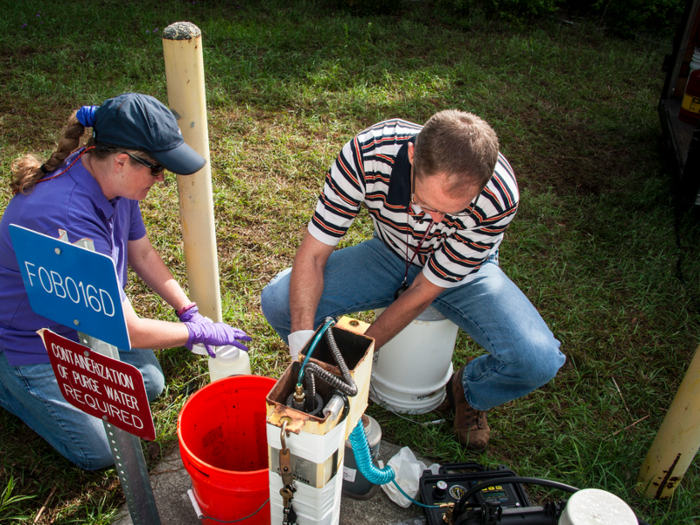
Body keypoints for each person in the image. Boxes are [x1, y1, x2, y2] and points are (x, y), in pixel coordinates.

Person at [261, 110, 565, 451]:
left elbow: (423, 290)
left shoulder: (499, 195)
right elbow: (314, 254)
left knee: (536, 360)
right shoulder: (367, 155)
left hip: (463, 273)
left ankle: (469, 391)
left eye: (452, 213)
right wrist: (302, 341)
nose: (435, 220)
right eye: (425, 202)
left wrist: (353, 365)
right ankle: (321, 369)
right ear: (412, 156)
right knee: (278, 303)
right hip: (390, 253)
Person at [0, 93, 251, 470]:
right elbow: (126, 329)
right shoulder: (63, 215)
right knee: (100, 451)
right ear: (121, 160)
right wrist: (197, 334)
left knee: (149, 383)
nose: (161, 179)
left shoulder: (113, 181)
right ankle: (11, 385)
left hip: (81, 326)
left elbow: (142, 253)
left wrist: (188, 310)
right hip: (29, 344)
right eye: (156, 169)